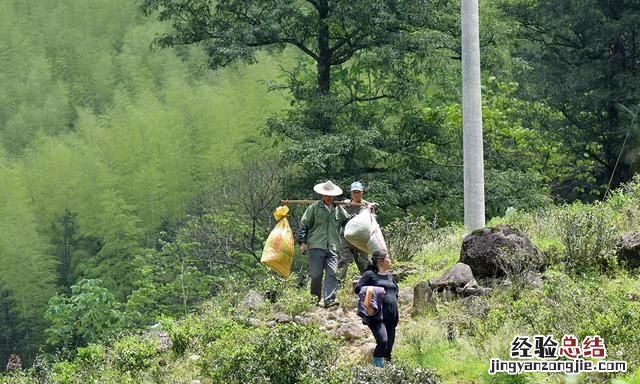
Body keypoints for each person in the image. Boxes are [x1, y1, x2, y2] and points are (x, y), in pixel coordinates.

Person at [297, 180, 350, 308]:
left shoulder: (339, 210)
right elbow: (304, 225)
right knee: (316, 275)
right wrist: (302, 242)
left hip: (332, 246)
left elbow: (348, 222)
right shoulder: (314, 208)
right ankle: (315, 298)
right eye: (327, 195)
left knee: (332, 272)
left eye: (331, 196)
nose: (329, 197)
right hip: (316, 246)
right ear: (322, 195)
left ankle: (329, 299)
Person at [354, 249, 399, 368]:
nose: (390, 260)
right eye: (388, 257)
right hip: (377, 316)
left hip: (391, 316)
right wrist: (375, 291)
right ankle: (377, 371)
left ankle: (388, 372)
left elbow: (395, 292)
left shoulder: (390, 276)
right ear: (380, 260)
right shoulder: (370, 275)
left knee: (389, 347)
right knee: (382, 341)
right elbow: (358, 288)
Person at [337, 181, 371, 285]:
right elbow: (337, 219)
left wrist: (370, 209)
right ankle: (338, 286)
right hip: (345, 237)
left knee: (364, 262)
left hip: (360, 239)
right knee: (343, 260)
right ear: (351, 193)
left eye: (358, 192)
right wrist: (343, 207)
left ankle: (369, 283)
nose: (356, 194)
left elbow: (371, 221)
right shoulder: (345, 205)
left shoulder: (366, 206)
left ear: (362, 193)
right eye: (354, 192)